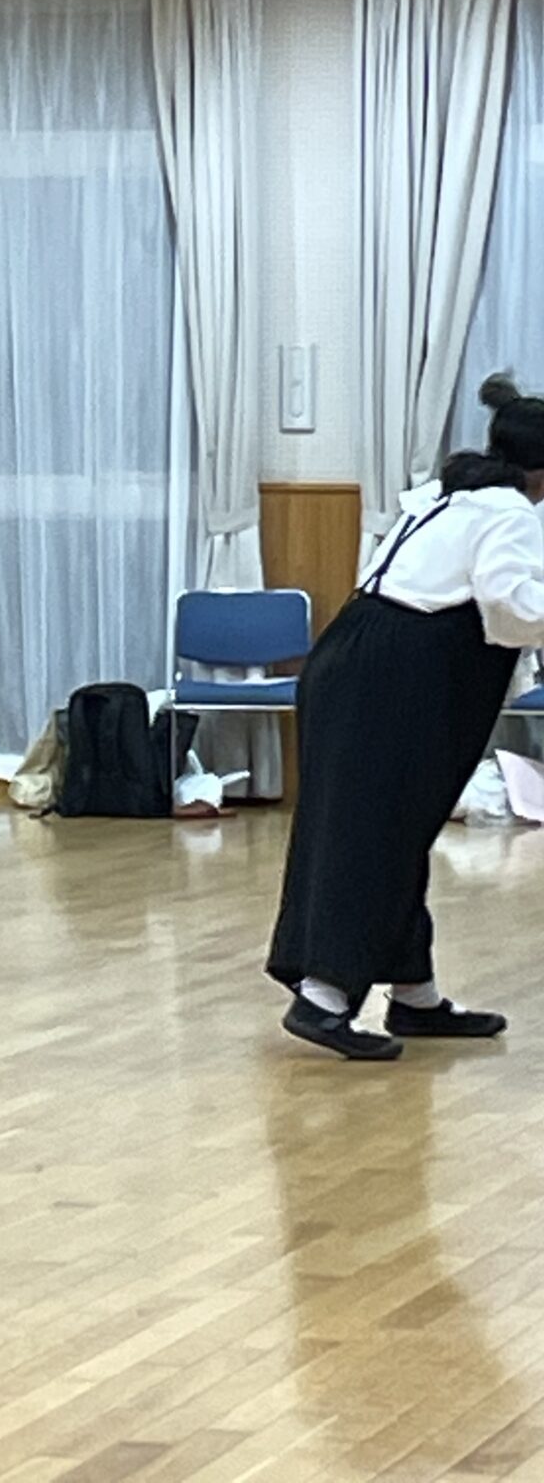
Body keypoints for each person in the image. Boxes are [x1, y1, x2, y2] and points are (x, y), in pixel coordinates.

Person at [267, 372, 544, 1061]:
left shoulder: (450, 495)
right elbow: (510, 607)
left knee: (390, 829)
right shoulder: (508, 511)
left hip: (353, 656)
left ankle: (414, 996)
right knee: (377, 834)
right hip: (399, 677)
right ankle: (323, 999)